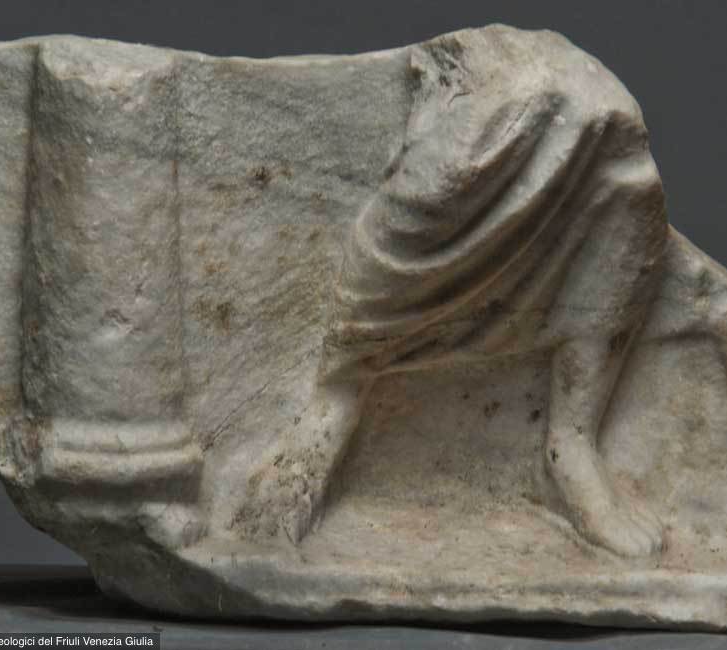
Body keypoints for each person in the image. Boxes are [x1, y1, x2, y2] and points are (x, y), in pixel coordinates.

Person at [236, 25, 668, 557]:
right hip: (474, 81)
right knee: (448, 179)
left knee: (614, 148)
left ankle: (572, 444)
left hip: (549, 84)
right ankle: (335, 397)